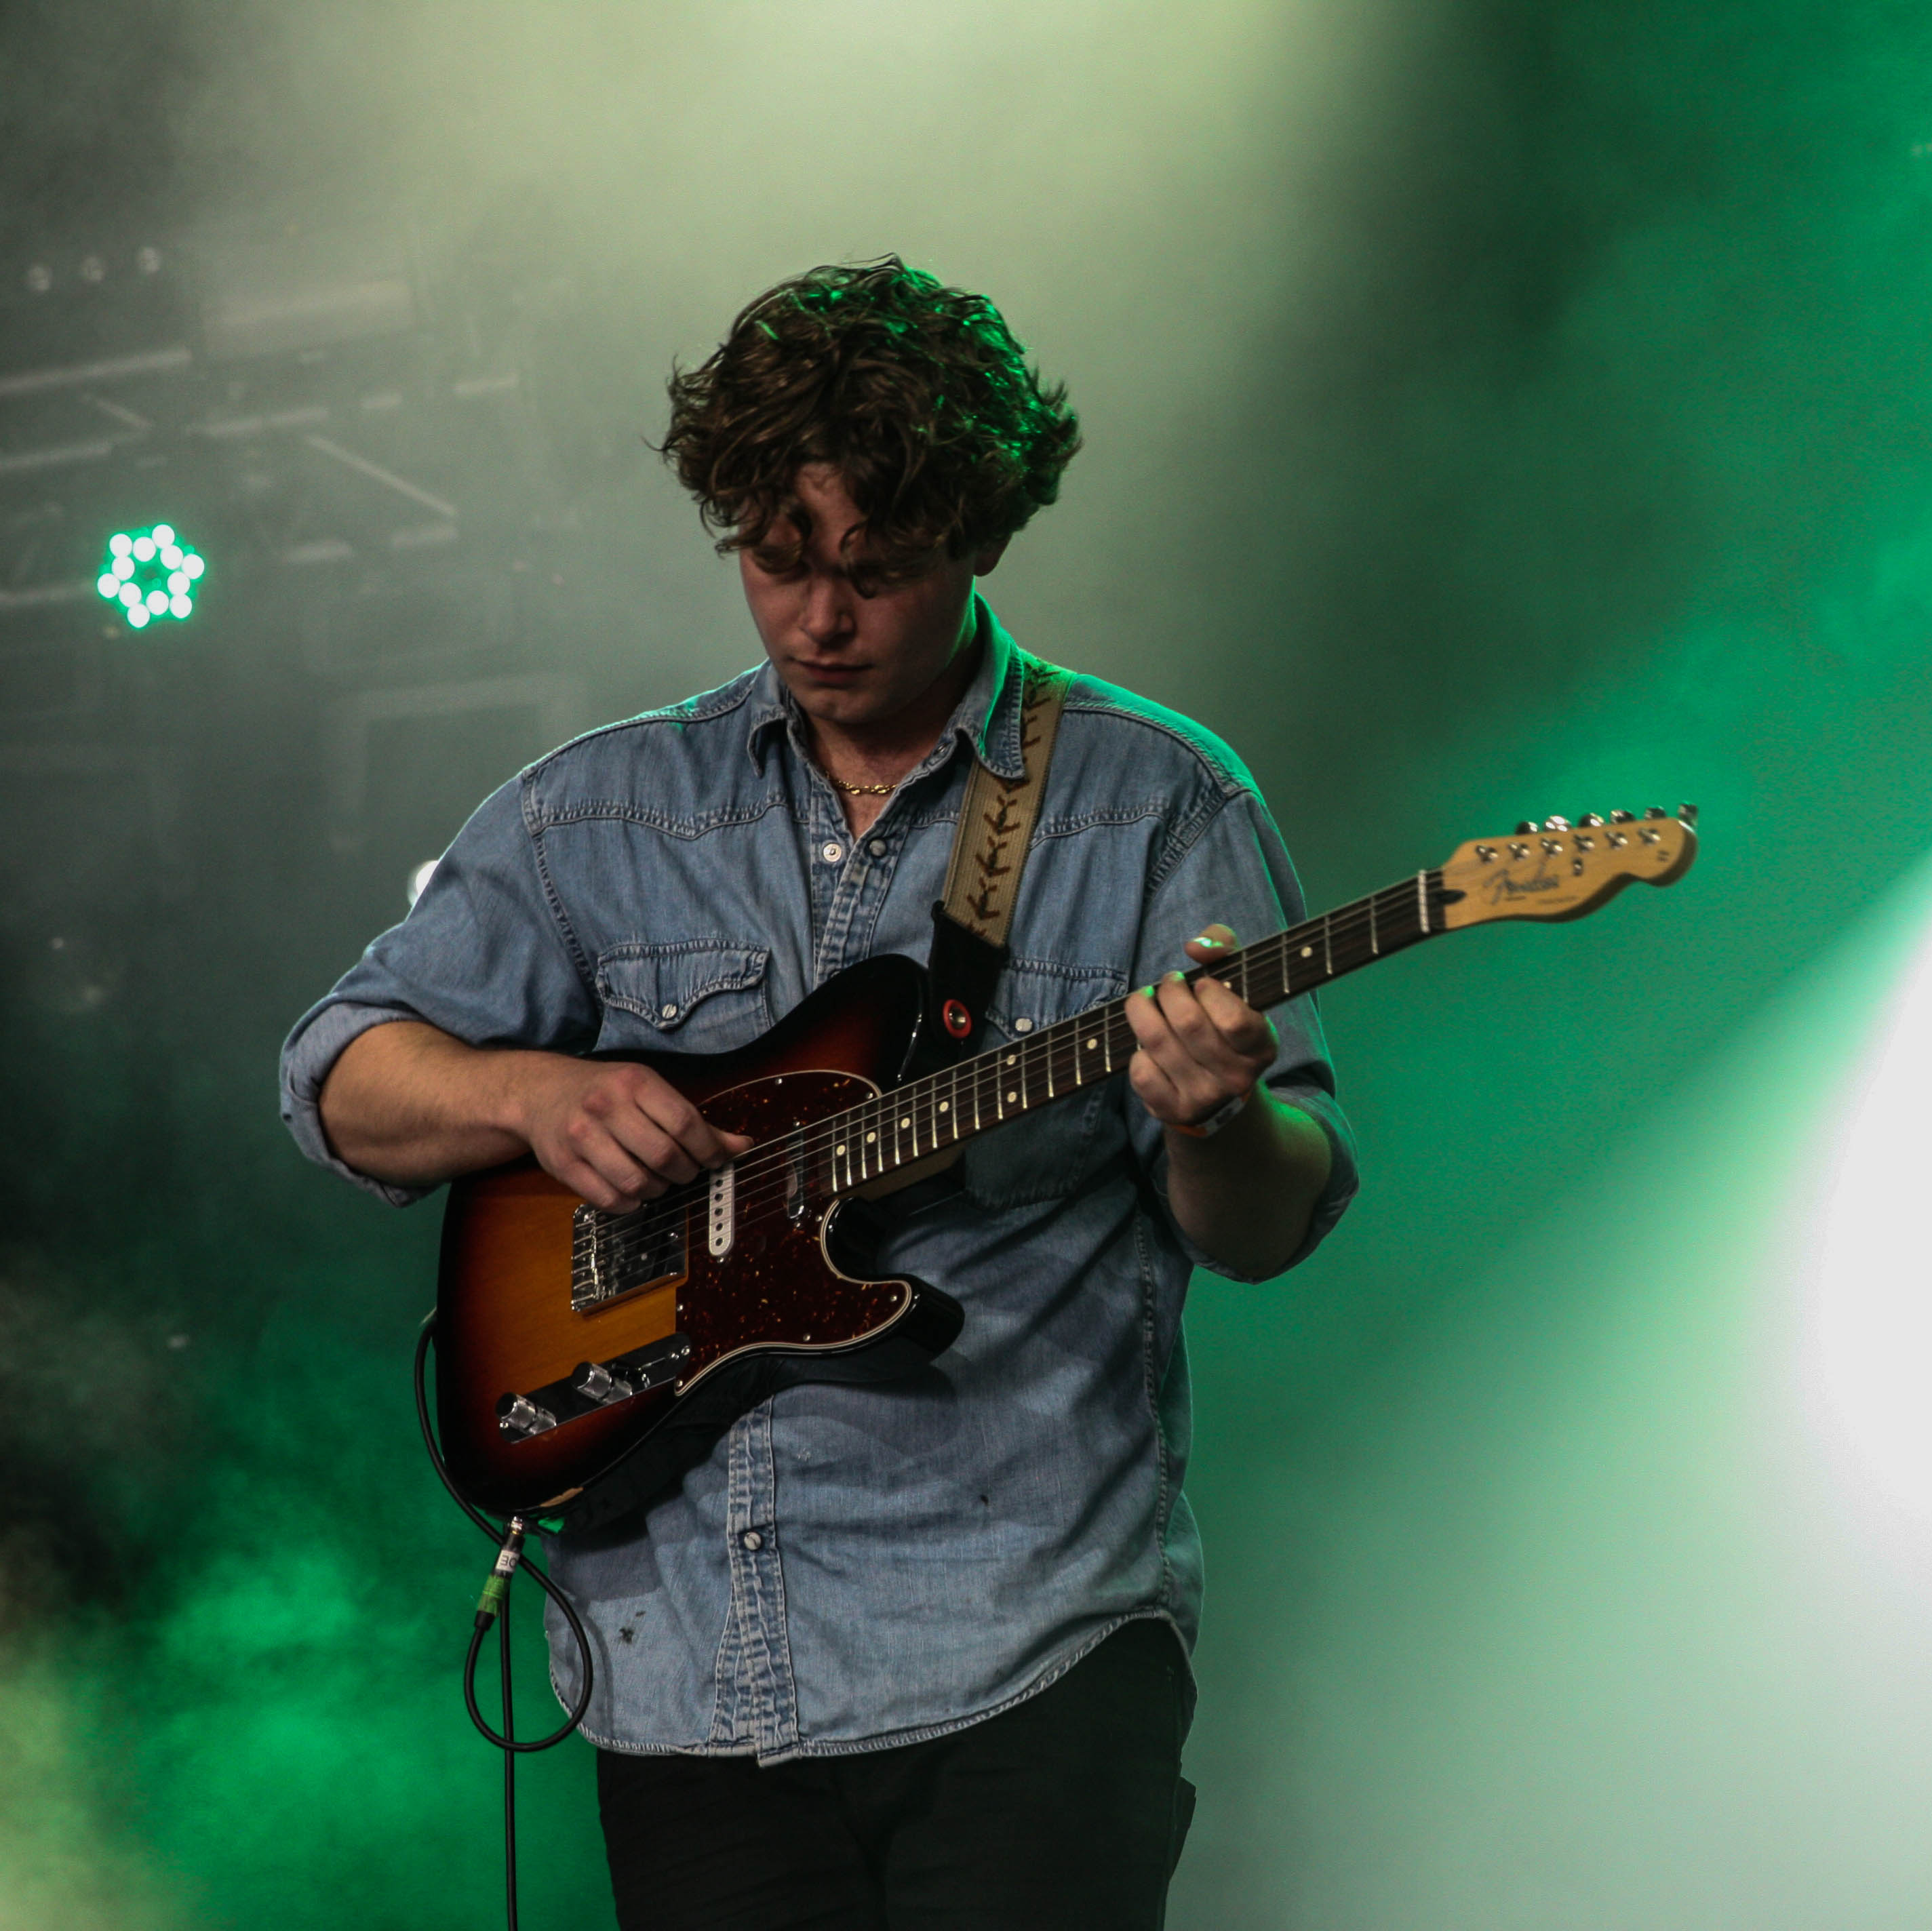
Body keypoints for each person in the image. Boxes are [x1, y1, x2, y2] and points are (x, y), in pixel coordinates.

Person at [277, 258, 1356, 1930]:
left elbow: (1267, 1225)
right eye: (777, 561)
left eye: (876, 569)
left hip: (1030, 1645)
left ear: (980, 537)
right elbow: (340, 1076)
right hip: (683, 1672)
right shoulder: (598, 812)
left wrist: (1214, 1114)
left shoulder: (1155, 802)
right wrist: (538, 1094)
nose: (817, 621)